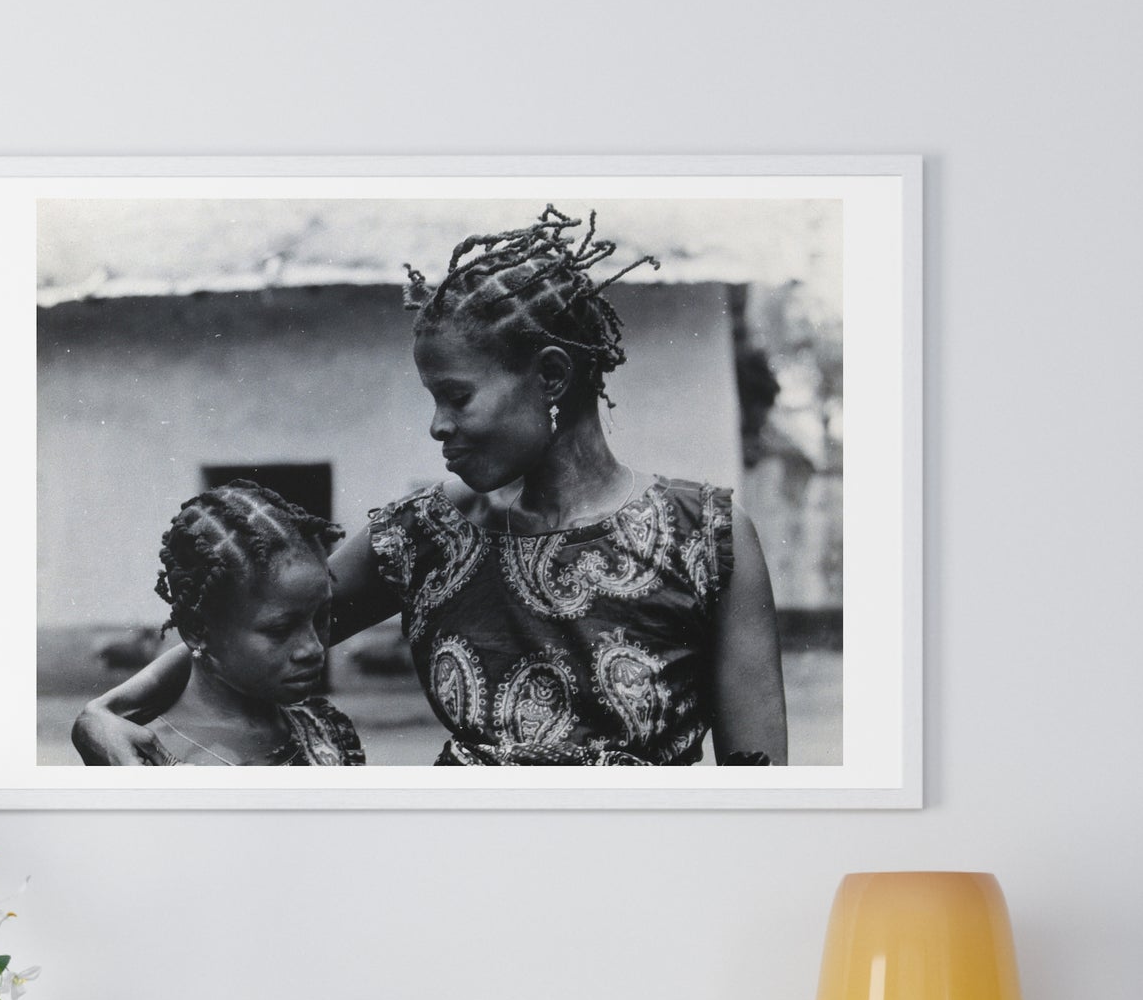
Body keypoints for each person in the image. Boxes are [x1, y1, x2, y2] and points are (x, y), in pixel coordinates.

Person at [74, 206, 786, 766]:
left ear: (550, 377)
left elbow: (757, 784)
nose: (437, 426)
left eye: (455, 396)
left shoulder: (706, 541)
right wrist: (103, 714)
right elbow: (243, 623)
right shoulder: (423, 536)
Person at [75, 480, 364, 767]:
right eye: (280, 630)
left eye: (323, 617)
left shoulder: (328, 731)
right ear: (197, 631)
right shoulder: (137, 755)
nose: (313, 648)